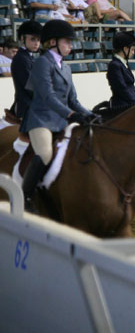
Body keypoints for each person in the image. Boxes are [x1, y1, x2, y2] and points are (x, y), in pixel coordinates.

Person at [20, 20, 96, 211]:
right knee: (45, 154)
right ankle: (26, 197)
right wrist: (71, 115)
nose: (71, 45)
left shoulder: (67, 68)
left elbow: (73, 100)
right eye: (67, 42)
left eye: (71, 42)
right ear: (53, 42)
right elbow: (48, 96)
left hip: (61, 120)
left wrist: (91, 115)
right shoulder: (41, 63)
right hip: (41, 119)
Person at [10, 20, 42, 120]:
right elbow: (29, 87)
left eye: (38, 40)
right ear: (22, 38)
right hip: (27, 107)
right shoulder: (21, 59)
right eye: (33, 39)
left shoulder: (30, 57)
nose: (36, 43)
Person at [106, 31, 135, 114]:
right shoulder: (114, 66)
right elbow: (122, 89)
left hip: (131, 103)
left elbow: (132, 89)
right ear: (125, 49)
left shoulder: (124, 64)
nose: (133, 53)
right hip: (122, 106)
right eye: (132, 49)